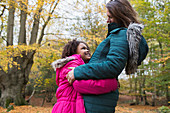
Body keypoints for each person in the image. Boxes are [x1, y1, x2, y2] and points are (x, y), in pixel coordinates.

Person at [66, 0, 149, 113]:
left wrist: (78, 71)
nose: (107, 20)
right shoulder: (118, 35)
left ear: (120, 15)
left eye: (110, 17)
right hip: (98, 99)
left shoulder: (120, 34)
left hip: (97, 101)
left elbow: (113, 66)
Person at [51, 40, 118, 113]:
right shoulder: (72, 64)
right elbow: (82, 84)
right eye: (83, 48)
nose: (87, 50)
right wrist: (112, 84)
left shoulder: (82, 65)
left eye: (87, 49)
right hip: (68, 108)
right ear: (74, 51)